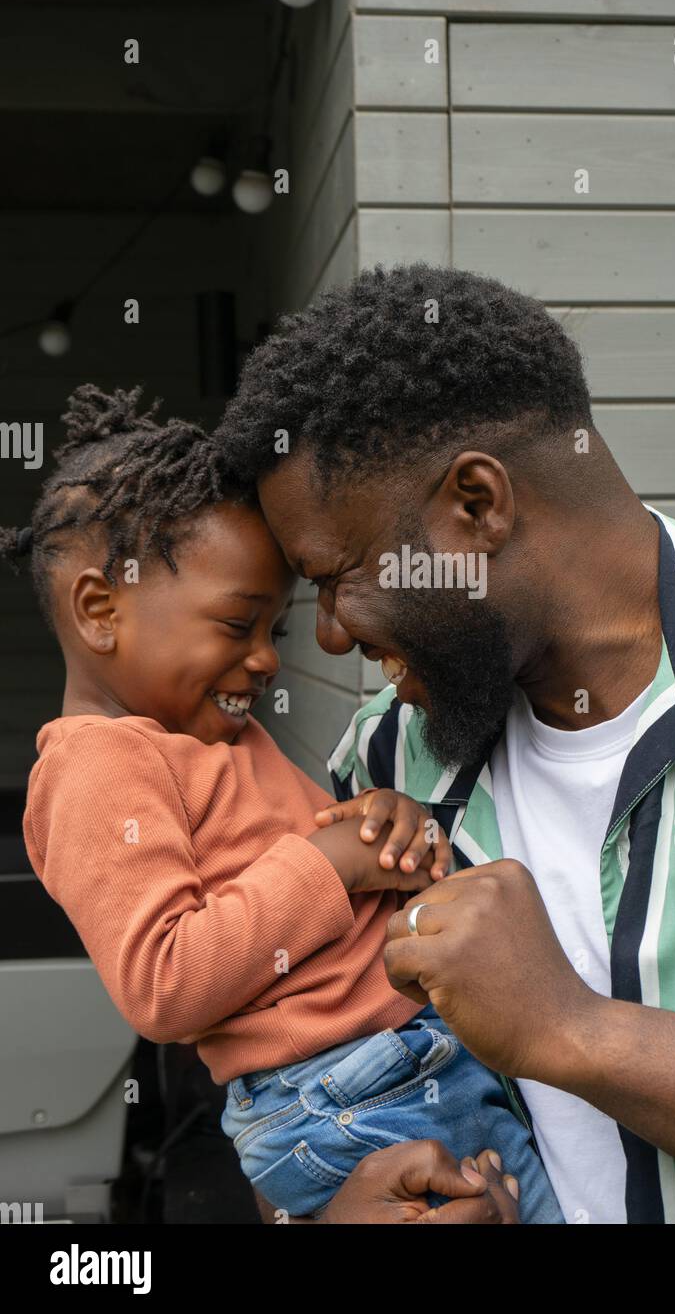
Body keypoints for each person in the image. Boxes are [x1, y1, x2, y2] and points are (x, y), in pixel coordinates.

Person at [216, 260, 675, 1224]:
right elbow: (317, 1087)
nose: (332, 635)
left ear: (476, 505)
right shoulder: (385, 765)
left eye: (337, 575)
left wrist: (575, 1032)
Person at [8, 384, 563, 1223]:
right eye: (238, 626)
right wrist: (328, 867)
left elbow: (309, 856)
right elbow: (165, 983)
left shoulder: (213, 741)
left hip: (396, 1066)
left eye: (276, 630)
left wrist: (385, 821)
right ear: (99, 610)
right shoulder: (98, 766)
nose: (266, 661)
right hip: (351, 1091)